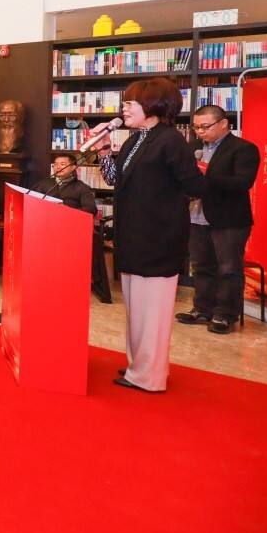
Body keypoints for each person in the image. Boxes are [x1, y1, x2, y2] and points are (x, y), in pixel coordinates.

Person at [97, 77, 206, 393]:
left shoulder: (171, 141)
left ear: (153, 105)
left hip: (158, 238)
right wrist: (103, 149)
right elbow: (116, 180)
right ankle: (139, 366)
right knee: (137, 310)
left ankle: (149, 376)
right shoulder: (135, 140)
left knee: (152, 313)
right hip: (134, 235)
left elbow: (194, 186)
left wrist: (163, 201)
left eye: (130, 103)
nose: (124, 109)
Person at [177, 104, 260, 335]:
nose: (200, 132)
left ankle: (225, 314)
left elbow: (243, 182)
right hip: (196, 215)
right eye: (196, 127)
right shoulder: (193, 147)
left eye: (205, 127)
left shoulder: (243, 149)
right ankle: (202, 309)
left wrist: (205, 178)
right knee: (201, 266)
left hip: (228, 219)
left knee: (228, 268)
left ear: (223, 124)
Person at [33, 153, 110, 303]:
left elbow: (91, 209)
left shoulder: (82, 188)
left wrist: (67, 211)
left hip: (71, 230)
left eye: (63, 164)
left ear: (73, 167)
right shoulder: (44, 184)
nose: (58, 167)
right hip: (46, 227)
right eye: (56, 164)